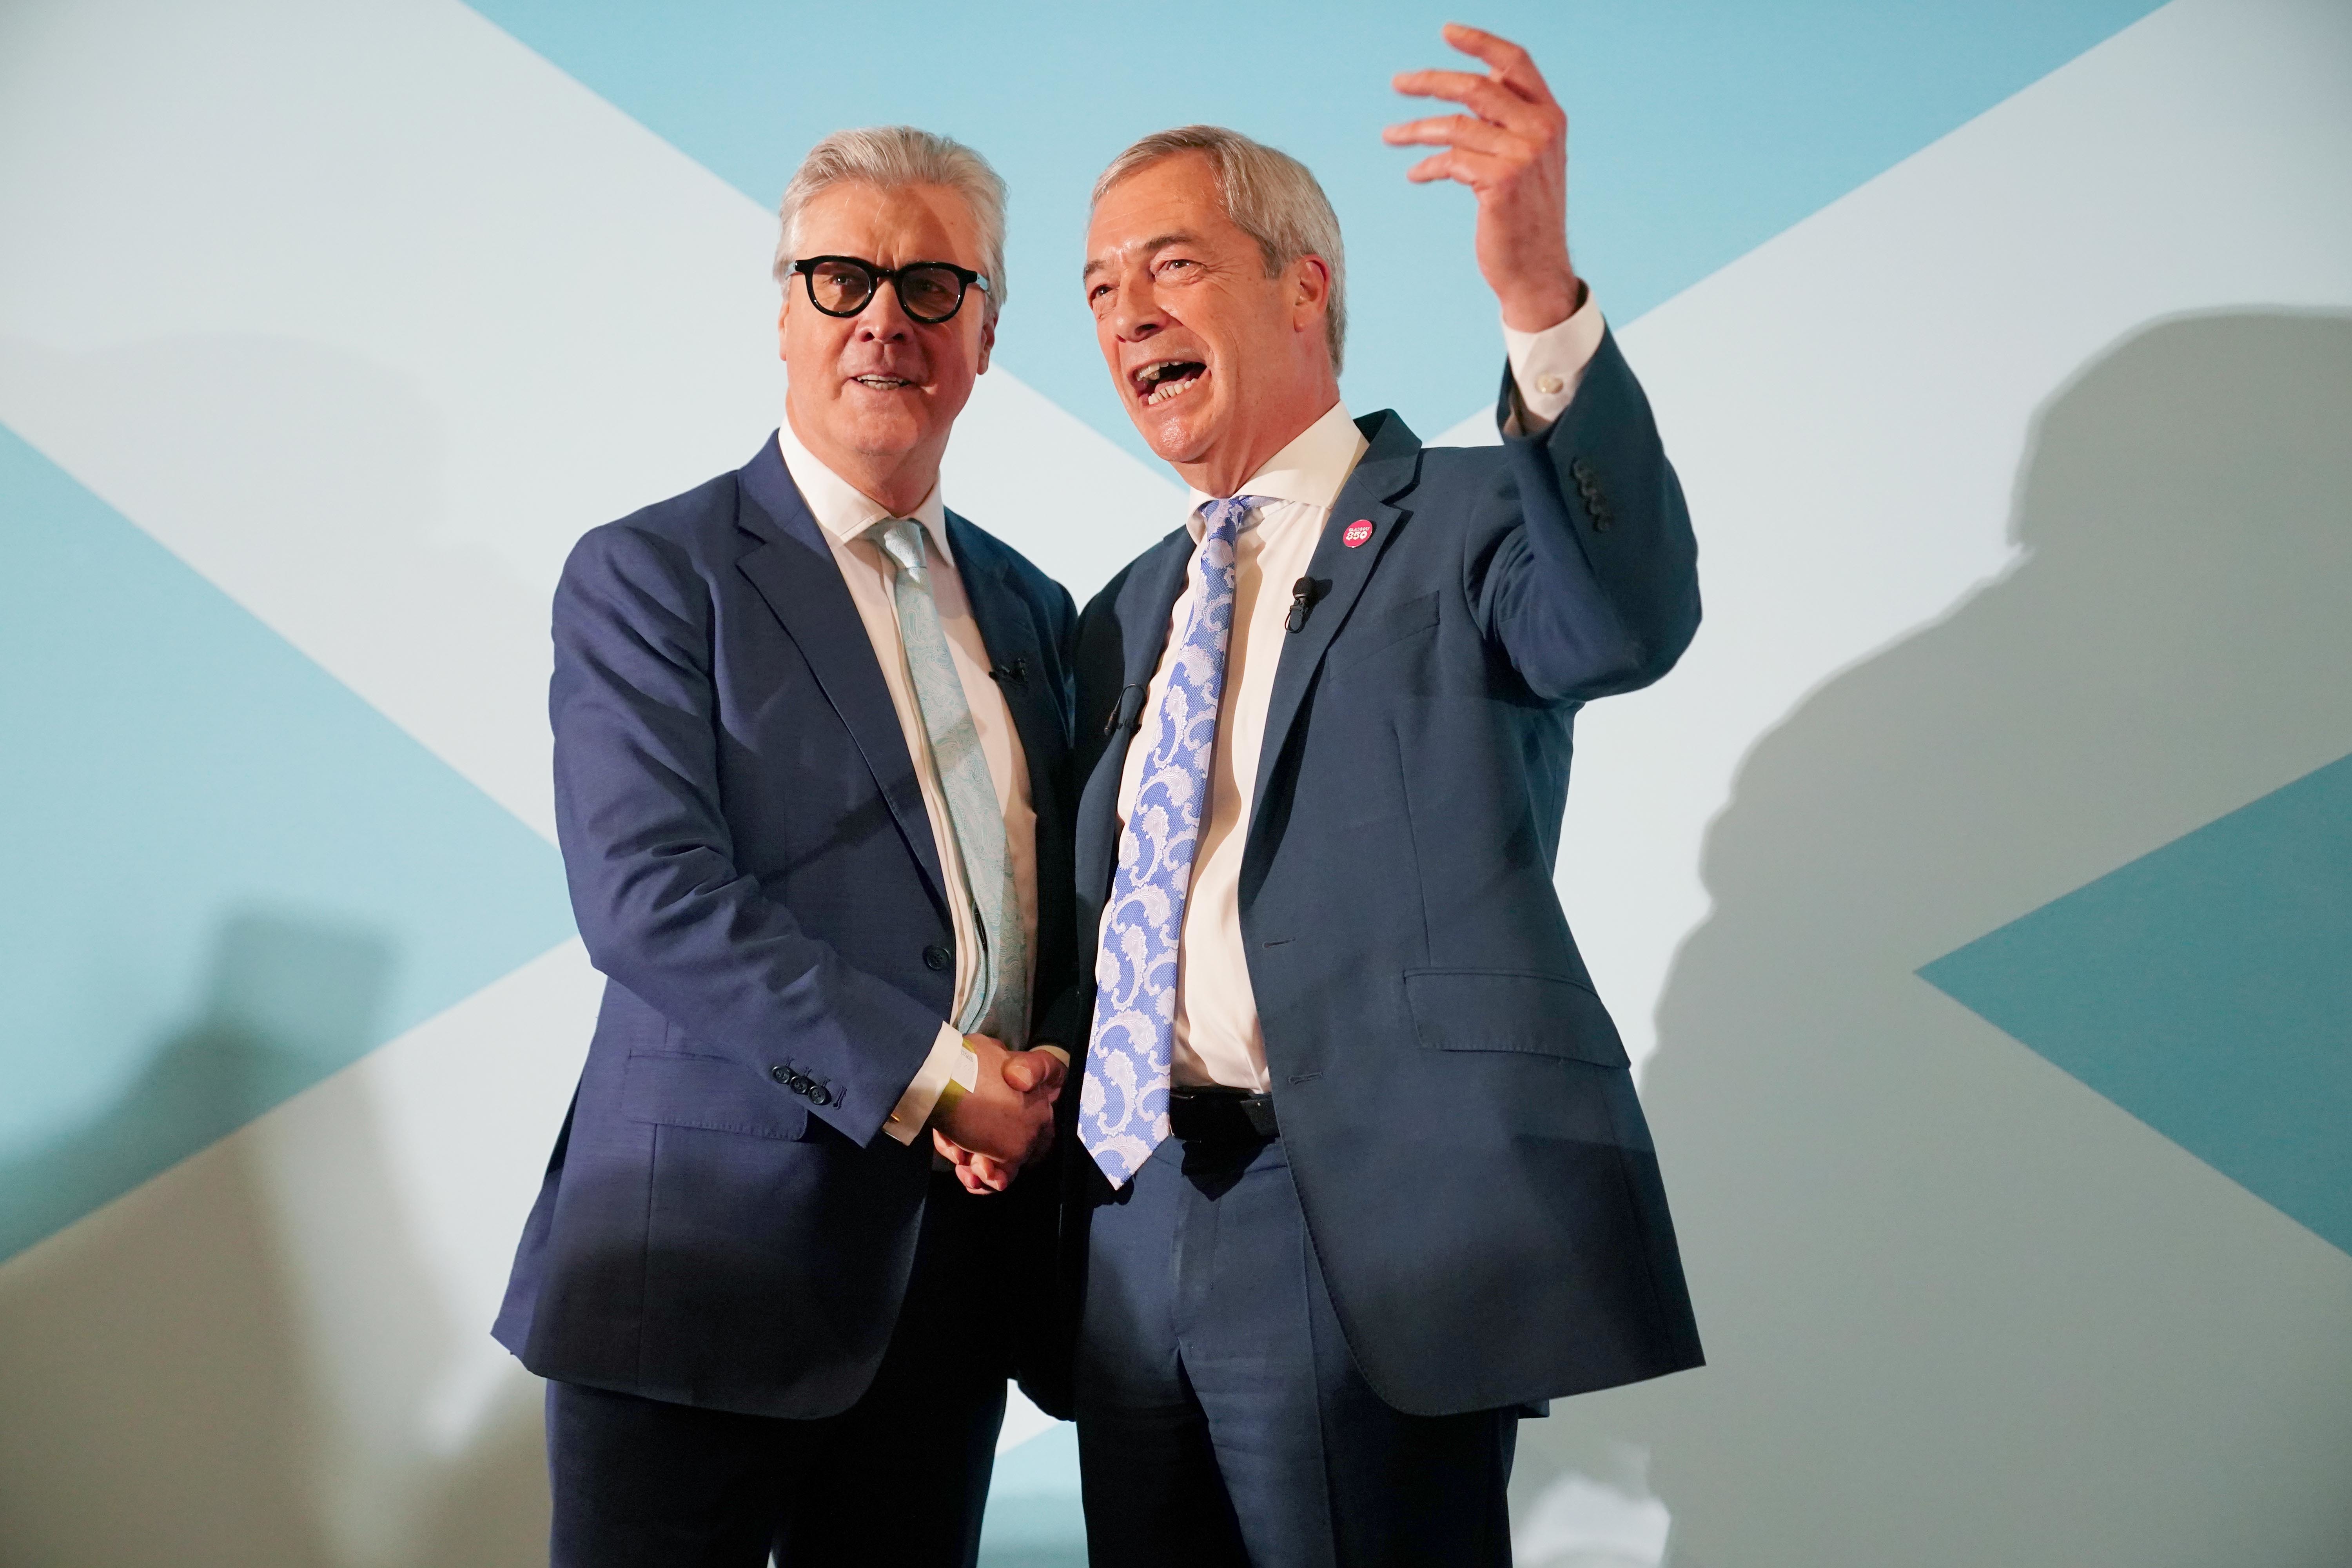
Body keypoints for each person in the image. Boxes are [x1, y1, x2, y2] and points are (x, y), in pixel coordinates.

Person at [1054, 25, 1704, 1565]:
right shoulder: (1115, 615)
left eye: (1170, 266)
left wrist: (1538, 294)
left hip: (1362, 1226)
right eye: (1097, 289)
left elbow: (1628, 618)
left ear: (1302, 287)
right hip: (1134, 1226)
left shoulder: (1477, 519)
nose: (1126, 314)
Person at [491, 127, 1082, 1567]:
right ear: (784, 315)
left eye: (935, 286)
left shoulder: (1036, 607)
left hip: (946, 1285)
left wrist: (1035, 1078)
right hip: (698, 1274)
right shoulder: (651, 573)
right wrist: (947, 1082)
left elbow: (1057, 907)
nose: (886, 317)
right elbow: (648, 900)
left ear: (989, 334)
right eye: (842, 278)